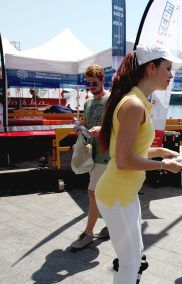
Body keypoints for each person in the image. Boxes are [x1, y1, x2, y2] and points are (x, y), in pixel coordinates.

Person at [96, 44, 182, 283]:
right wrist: (164, 165)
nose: (171, 74)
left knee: (135, 257)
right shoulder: (134, 104)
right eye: (167, 68)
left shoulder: (137, 101)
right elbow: (124, 160)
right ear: (151, 68)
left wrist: (162, 152)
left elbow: (132, 151)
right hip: (117, 193)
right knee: (130, 262)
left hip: (124, 192)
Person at [70, 64, 110, 249]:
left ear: (103, 80)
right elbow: (87, 126)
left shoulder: (112, 100)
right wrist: (80, 130)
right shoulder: (87, 103)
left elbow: (118, 127)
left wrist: (101, 129)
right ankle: (112, 226)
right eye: (89, 84)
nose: (91, 87)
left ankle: (88, 233)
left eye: (94, 83)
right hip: (91, 154)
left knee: (93, 193)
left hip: (106, 154)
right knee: (106, 193)